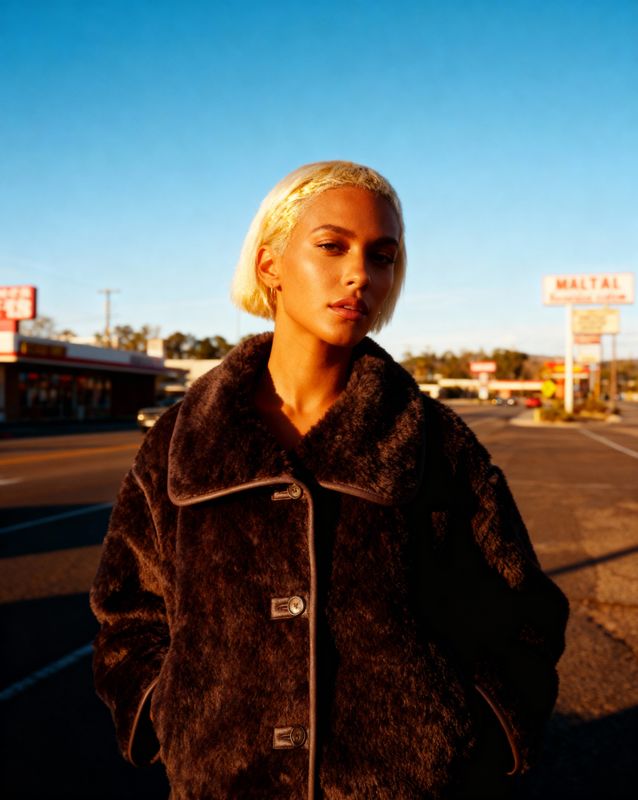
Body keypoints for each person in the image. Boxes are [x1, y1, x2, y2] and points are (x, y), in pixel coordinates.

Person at [90, 161, 568, 799]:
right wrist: (165, 712)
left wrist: (465, 730)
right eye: (331, 246)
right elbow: (127, 613)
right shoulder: (181, 441)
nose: (359, 275)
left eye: (382, 256)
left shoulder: (435, 442)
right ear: (269, 265)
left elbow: (524, 611)